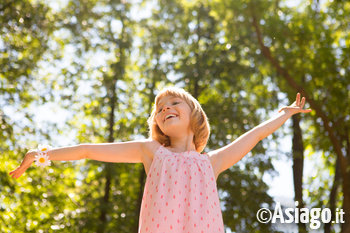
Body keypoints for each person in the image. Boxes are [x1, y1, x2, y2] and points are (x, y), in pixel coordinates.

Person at [9, 86, 312, 233]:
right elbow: (89, 150)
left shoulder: (212, 163)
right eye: (159, 107)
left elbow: (253, 137)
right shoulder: (151, 152)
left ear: (195, 116)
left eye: (173, 102)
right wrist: (41, 155)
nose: (164, 107)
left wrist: (283, 115)